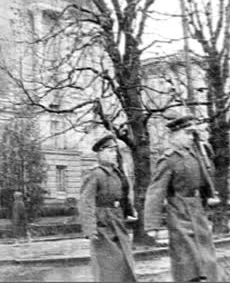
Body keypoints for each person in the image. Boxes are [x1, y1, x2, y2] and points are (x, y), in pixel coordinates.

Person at [144, 115, 219, 282]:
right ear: (174, 135)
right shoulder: (168, 160)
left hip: (197, 212)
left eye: (193, 134)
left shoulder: (196, 154)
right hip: (179, 213)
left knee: (207, 260)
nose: (191, 137)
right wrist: (152, 225)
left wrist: (210, 195)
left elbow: (205, 176)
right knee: (187, 262)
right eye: (187, 133)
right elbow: (156, 192)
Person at [79, 135, 137, 282]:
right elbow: (86, 202)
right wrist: (90, 229)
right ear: (101, 153)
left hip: (117, 220)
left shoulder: (117, 173)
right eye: (111, 151)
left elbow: (123, 194)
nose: (114, 155)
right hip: (103, 224)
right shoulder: (95, 174)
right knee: (109, 266)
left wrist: (129, 211)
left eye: (115, 151)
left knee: (124, 260)